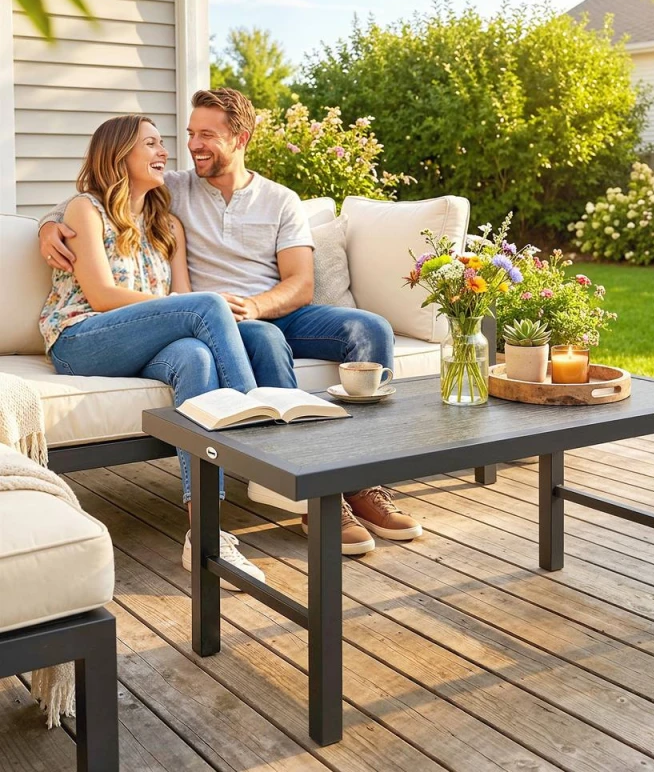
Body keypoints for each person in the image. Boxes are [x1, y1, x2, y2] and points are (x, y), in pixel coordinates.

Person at [39, 88, 423, 556]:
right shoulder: (169, 188)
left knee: (368, 329)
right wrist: (46, 225)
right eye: (180, 137)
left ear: (240, 138)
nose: (185, 147)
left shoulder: (203, 210)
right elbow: (88, 219)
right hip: (126, 325)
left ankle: (339, 488)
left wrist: (253, 305)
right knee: (223, 321)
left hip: (255, 312)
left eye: (205, 135)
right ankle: (274, 456)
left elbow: (297, 284)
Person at [39, 114, 265, 588]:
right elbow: (101, 296)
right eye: (152, 144)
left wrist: (190, 311)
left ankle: (206, 532)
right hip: (83, 340)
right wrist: (190, 308)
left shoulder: (167, 225)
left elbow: (182, 310)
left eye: (164, 144)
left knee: (196, 358)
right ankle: (261, 437)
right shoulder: (86, 209)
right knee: (202, 306)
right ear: (119, 154)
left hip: (143, 345)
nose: (165, 152)